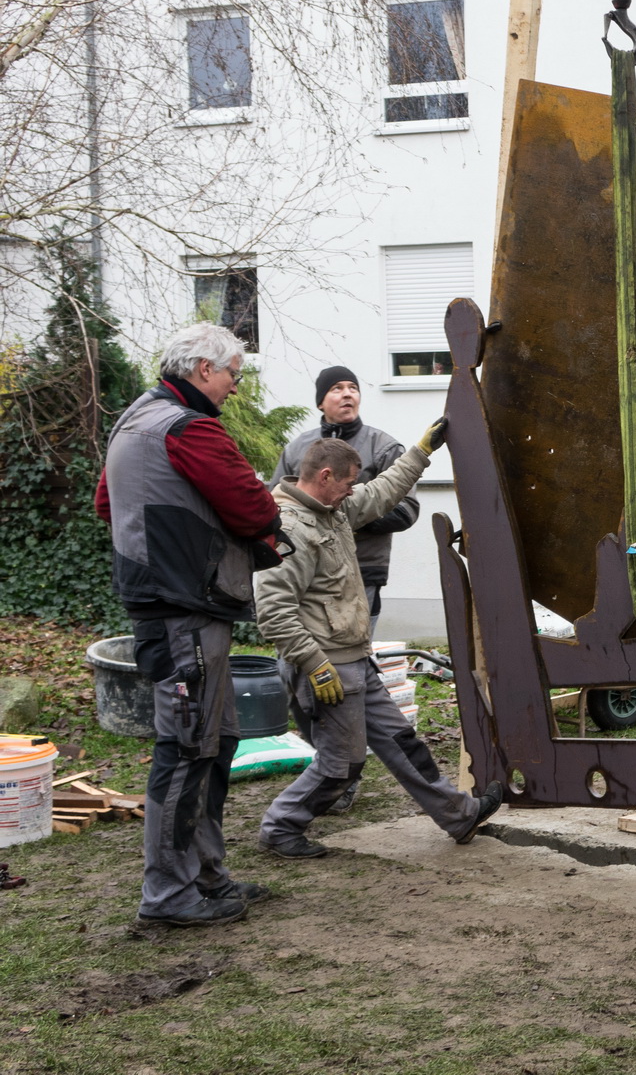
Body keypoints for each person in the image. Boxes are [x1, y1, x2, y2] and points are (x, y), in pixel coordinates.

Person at [94, 322, 285, 928]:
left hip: (171, 604)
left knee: (216, 741)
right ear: (205, 370)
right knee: (184, 749)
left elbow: (107, 504)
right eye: (233, 374)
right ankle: (168, 896)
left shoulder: (135, 420)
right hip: (186, 610)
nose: (235, 386)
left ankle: (205, 874)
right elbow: (253, 507)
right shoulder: (189, 427)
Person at [254, 430, 504, 859]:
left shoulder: (332, 509)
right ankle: (281, 827)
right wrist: (315, 664)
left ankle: (459, 815)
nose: (352, 491)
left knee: (402, 742)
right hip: (326, 668)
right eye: (348, 482)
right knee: (342, 764)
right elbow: (273, 611)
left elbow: (381, 492)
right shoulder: (290, 527)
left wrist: (421, 452)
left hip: (354, 661)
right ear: (325, 476)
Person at [270, 366, 418, 814]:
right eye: (337, 388)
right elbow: (274, 504)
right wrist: (324, 518)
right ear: (321, 401)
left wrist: (340, 514)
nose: (347, 394)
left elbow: (404, 507)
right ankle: (330, 762)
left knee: (349, 679)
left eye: (353, 387)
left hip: (359, 576)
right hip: (302, 580)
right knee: (300, 676)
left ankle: (343, 772)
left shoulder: (381, 445)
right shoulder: (298, 448)